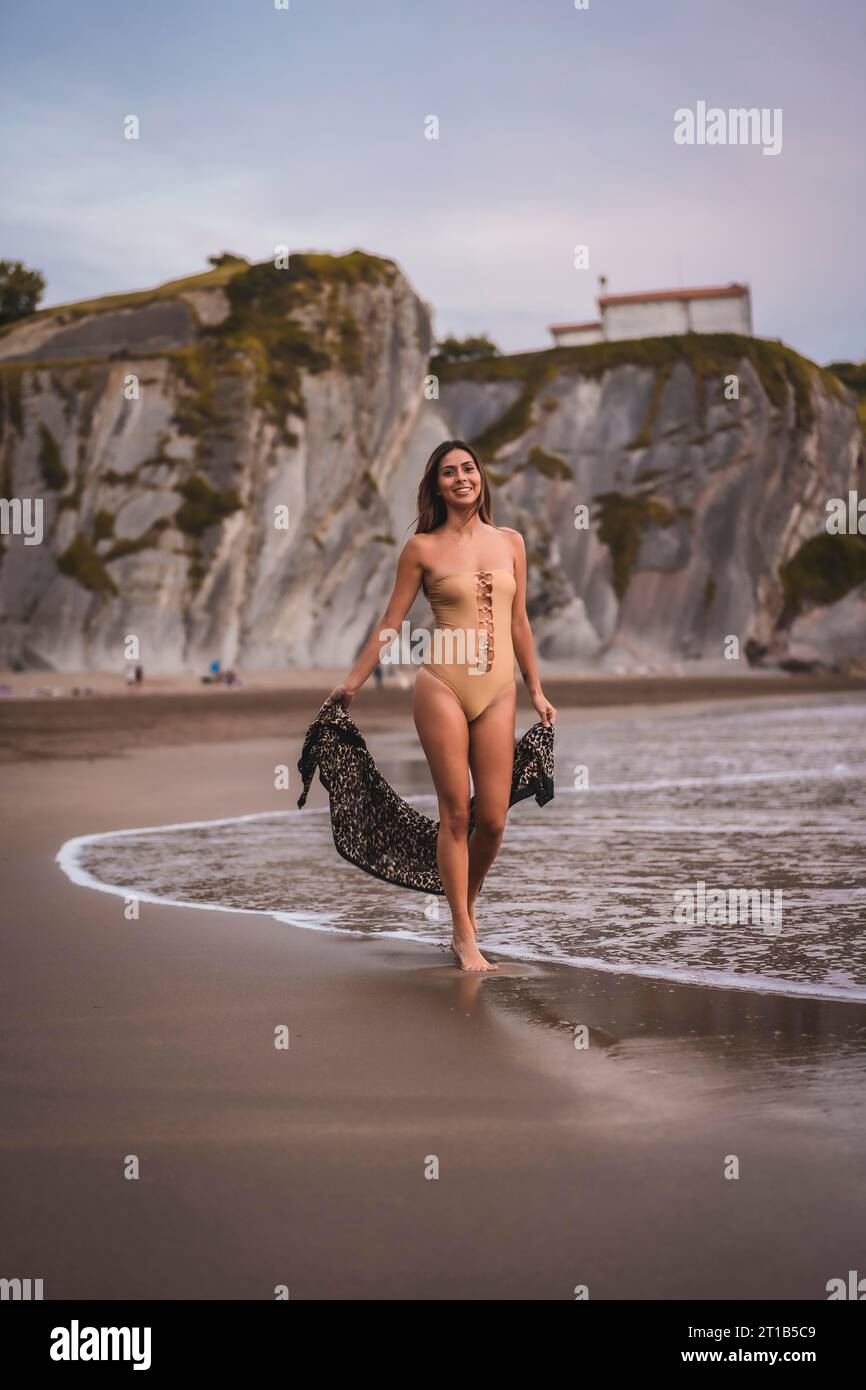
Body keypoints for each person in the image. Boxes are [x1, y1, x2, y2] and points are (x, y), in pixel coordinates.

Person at [325, 439, 556, 973]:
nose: (461, 479)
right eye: (449, 473)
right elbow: (391, 624)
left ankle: (465, 905)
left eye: (468, 469)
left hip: (498, 690)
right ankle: (461, 932)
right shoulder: (422, 549)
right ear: (437, 486)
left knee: (493, 819)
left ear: (481, 477)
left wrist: (537, 689)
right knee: (456, 813)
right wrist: (353, 683)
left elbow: (520, 620)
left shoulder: (511, 542)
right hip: (442, 684)